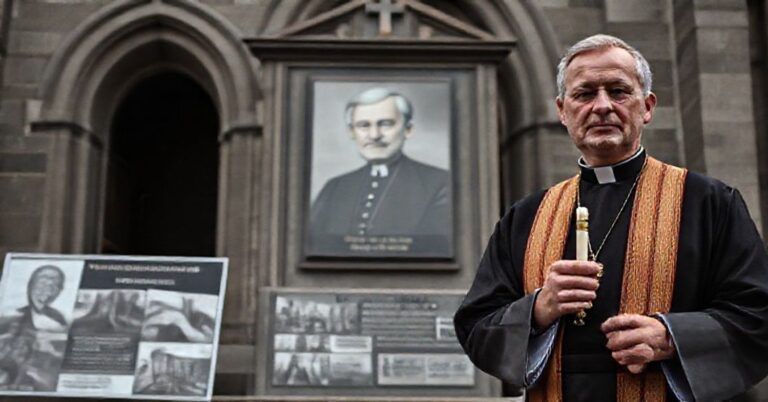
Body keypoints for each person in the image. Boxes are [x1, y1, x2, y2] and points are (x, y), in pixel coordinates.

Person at [454, 34, 768, 402]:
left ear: (647, 106)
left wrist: (671, 337)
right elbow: (476, 326)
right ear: (562, 110)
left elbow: (758, 316)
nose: (602, 106)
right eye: (585, 94)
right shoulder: (525, 216)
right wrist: (539, 308)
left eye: (618, 91)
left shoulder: (710, 202)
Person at [307, 87, 452, 257]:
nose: (374, 135)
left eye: (385, 124)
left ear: (408, 129)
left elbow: (435, 249)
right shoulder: (334, 187)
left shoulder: (439, 183)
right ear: (351, 132)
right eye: (363, 125)